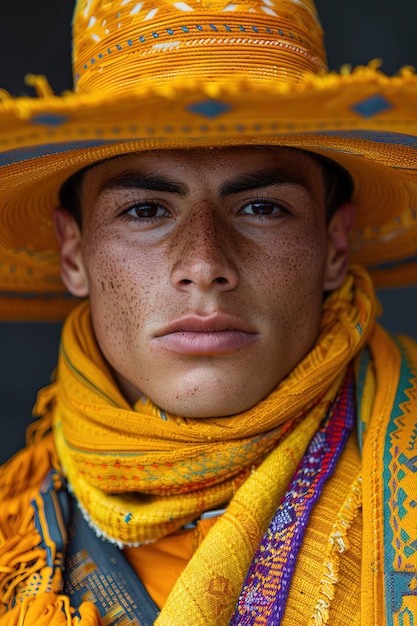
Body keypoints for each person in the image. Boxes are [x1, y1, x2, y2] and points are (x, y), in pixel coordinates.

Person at [0, 0, 416, 624]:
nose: (204, 262)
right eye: (145, 210)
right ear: (74, 251)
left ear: (334, 244)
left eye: (261, 208)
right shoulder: (14, 540)